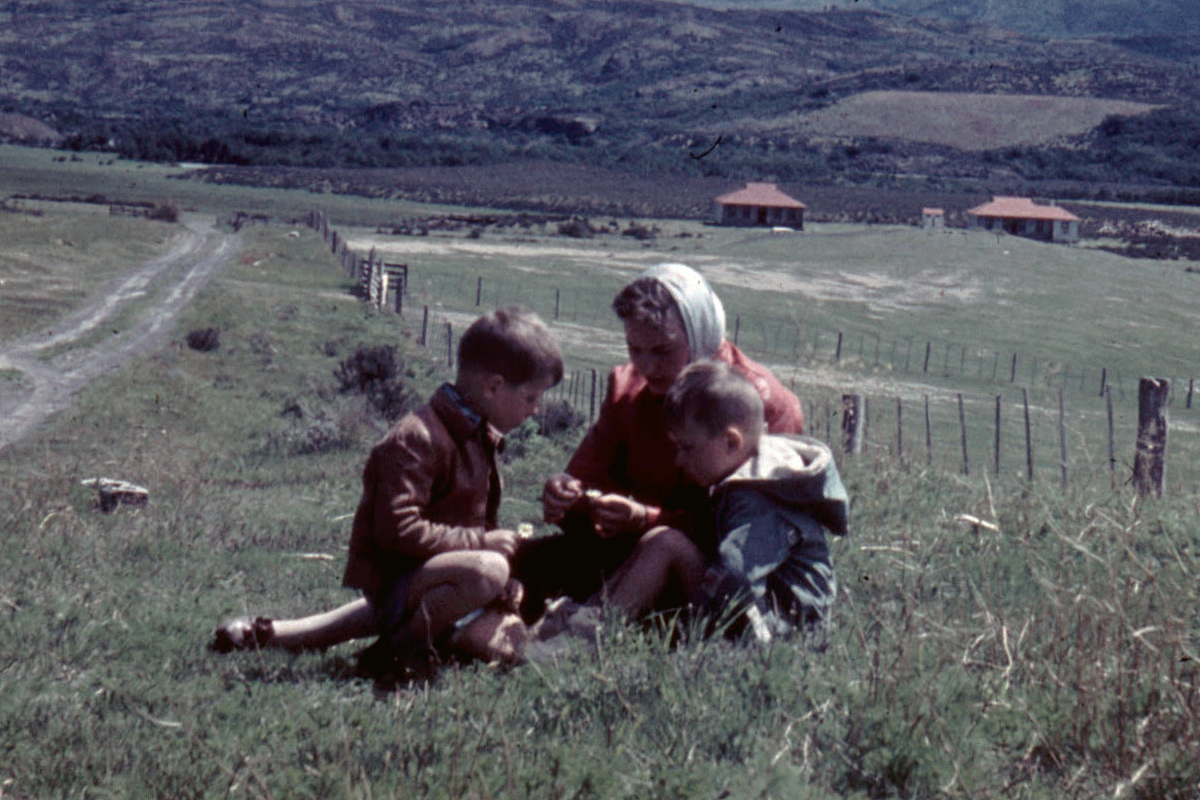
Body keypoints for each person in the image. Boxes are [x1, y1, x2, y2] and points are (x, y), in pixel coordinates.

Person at [212, 306, 564, 669]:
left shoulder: (478, 436)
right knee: (488, 573)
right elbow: (398, 530)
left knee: (510, 626)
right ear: (493, 387)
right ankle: (398, 651)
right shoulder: (418, 438)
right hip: (399, 583)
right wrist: (482, 549)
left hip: (433, 582)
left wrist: (499, 575)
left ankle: (275, 634)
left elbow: (470, 522)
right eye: (531, 398)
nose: (535, 411)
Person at [515, 262, 805, 621]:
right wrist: (567, 495)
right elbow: (587, 478)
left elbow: (748, 540)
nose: (647, 366)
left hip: (714, 580)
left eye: (663, 351)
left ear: (701, 334)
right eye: (635, 349)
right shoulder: (629, 390)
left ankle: (581, 631)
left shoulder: (761, 406)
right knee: (514, 564)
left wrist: (647, 520)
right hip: (628, 556)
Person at [567, 359, 848, 642]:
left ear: (730, 442)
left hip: (782, 634)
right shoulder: (751, 480)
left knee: (667, 545)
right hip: (766, 615)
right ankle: (589, 615)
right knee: (662, 539)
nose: (679, 460)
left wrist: (686, 621)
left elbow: (737, 576)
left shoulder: (757, 499)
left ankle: (587, 635)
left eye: (687, 447)